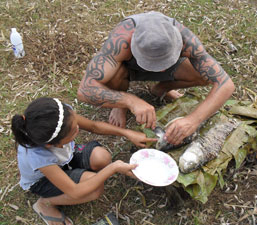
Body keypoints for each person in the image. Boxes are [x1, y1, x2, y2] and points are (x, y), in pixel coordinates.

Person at [78, 11, 235, 146]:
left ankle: (162, 89)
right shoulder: (120, 41)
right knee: (111, 76)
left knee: (203, 74)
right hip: (128, 70)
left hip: (171, 65)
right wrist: (130, 101)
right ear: (133, 44)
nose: (161, 69)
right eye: (153, 62)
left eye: (164, 62)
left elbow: (225, 84)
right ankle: (119, 106)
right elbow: (85, 90)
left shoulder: (186, 39)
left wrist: (193, 120)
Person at [11, 97, 156, 225]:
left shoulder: (60, 116)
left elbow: (93, 126)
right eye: (73, 131)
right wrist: (113, 168)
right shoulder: (38, 156)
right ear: (52, 144)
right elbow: (75, 192)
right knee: (94, 189)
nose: (78, 128)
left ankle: (79, 175)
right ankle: (45, 203)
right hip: (43, 180)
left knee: (102, 158)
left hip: (66, 158)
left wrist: (127, 133)